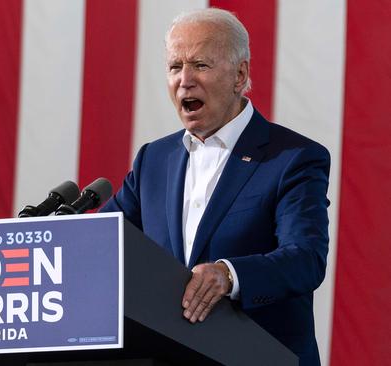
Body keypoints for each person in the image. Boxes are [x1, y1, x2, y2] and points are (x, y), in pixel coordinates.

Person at [100, 8, 329, 366]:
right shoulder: (153, 161)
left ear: (240, 75)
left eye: (200, 66)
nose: (185, 81)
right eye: (175, 67)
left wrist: (229, 274)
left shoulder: (292, 159)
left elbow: (305, 259)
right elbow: (100, 240)